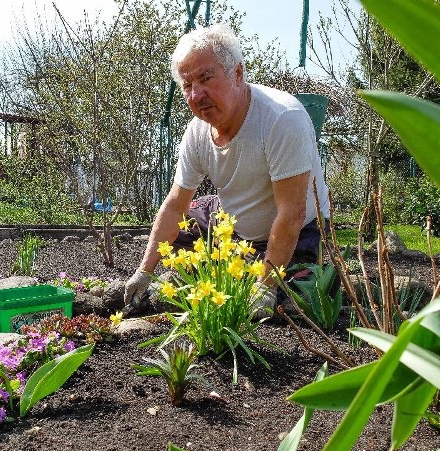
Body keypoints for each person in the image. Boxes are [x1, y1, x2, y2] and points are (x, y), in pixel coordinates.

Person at [124, 23, 330, 311]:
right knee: (185, 224)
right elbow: (175, 206)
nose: (196, 95)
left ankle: (261, 272)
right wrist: (143, 273)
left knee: (292, 300)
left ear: (237, 74)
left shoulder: (281, 119)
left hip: (298, 231)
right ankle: (230, 265)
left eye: (205, 78)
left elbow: (291, 214)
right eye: (187, 85)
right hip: (233, 222)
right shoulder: (197, 132)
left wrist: (265, 287)